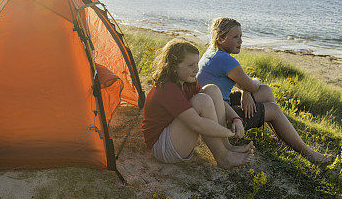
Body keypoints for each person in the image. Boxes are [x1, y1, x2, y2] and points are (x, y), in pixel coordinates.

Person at [197, 17, 332, 164]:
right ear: (221, 38)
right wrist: (249, 88)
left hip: (215, 107)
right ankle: (307, 152)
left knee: (266, 91)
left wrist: (246, 92)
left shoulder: (211, 52)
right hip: (221, 118)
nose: (240, 41)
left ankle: (283, 134)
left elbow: (244, 84)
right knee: (273, 109)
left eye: (241, 36)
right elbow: (253, 85)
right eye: (235, 37)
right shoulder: (227, 60)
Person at [142, 38, 254, 169]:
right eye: (190, 65)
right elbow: (197, 124)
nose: (196, 69)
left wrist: (236, 119)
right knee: (202, 101)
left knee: (211, 89)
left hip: (175, 134)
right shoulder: (167, 88)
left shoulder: (187, 82)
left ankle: (227, 146)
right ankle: (223, 157)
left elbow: (218, 101)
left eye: (197, 64)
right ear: (173, 68)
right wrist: (230, 132)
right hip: (163, 147)